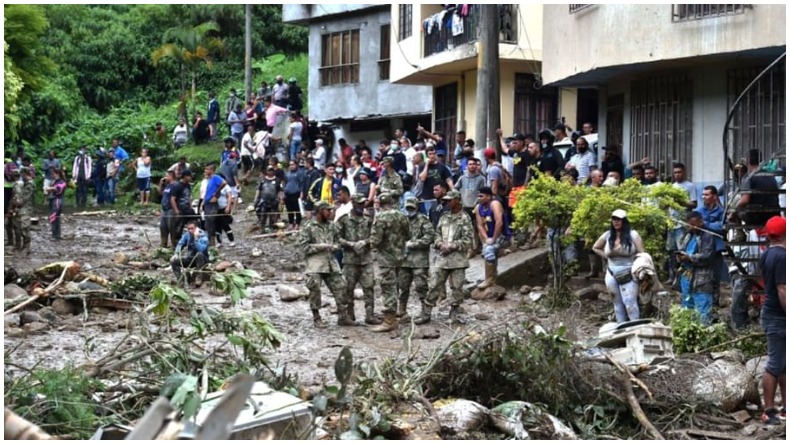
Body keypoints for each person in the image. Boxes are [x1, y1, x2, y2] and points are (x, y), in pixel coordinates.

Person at [414, 190, 474, 325]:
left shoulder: (464, 218)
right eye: (446, 200)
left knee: (457, 287)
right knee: (434, 284)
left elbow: (468, 239)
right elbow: (436, 234)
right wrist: (440, 244)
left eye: (450, 200)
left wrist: (452, 246)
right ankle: (426, 312)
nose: (447, 203)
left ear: (457, 200)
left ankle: (454, 312)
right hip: (442, 258)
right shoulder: (444, 217)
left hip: (458, 259)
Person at [297, 200, 355, 328]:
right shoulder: (309, 227)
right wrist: (320, 247)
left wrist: (336, 247)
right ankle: (316, 317)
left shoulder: (331, 226)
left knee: (341, 285)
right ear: (319, 211)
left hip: (330, 261)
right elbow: (303, 247)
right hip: (315, 263)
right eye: (327, 210)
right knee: (315, 286)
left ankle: (343, 316)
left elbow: (338, 241)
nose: (330, 212)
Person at [593, 209, 645, 323]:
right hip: (611, 272)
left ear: (624, 221)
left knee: (630, 302)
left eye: (619, 219)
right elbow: (595, 247)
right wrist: (607, 257)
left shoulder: (633, 234)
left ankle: (635, 327)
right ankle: (621, 327)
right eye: (614, 219)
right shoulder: (607, 235)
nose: (616, 222)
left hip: (630, 272)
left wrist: (640, 268)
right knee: (617, 303)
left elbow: (642, 254)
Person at [758, 215, 786, 425]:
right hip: (778, 315)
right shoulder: (782, 257)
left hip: (770, 312)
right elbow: (782, 289)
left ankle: (785, 407)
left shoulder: (767, 254)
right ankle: (769, 410)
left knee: (784, 364)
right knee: (775, 363)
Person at [368, 193, 410, 332]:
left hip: (386, 258)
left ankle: (389, 320)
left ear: (380, 203)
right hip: (399, 256)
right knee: (395, 285)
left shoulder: (380, 217)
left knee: (387, 287)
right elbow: (408, 235)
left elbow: (375, 241)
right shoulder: (402, 215)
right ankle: (394, 313)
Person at [336, 193, 379, 325]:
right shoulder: (344, 219)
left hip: (366, 259)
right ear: (353, 204)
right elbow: (335, 237)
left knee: (369, 287)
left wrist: (365, 242)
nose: (361, 206)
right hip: (350, 259)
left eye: (363, 203)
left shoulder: (368, 219)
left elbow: (376, 236)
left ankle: (370, 315)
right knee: (347, 288)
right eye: (358, 203)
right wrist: (350, 244)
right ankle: (349, 315)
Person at [676, 211, 717, 324]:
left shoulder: (707, 236)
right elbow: (683, 249)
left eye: (694, 224)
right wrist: (680, 257)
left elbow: (707, 256)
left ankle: (704, 334)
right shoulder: (689, 235)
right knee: (687, 306)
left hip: (702, 278)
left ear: (701, 222)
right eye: (690, 224)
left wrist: (689, 257)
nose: (692, 227)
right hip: (687, 276)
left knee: (703, 308)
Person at [399, 197, 436, 319]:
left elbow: (430, 237)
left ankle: (425, 312)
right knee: (402, 286)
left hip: (419, 261)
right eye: (407, 208)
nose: (409, 210)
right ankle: (402, 310)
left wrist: (414, 243)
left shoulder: (423, 221)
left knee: (421, 287)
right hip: (404, 261)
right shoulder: (402, 220)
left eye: (411, 208)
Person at [475, 186, 511, 289]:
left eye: (481, 196)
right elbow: (479, 225)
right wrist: (487, 239)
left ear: (488, 196)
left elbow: (499, 223)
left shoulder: (495, 204)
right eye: (478, 196)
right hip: (488, 236)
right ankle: (492, 276)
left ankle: (489, 279)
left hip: (502, 235)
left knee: (489, 251)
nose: (479, 198)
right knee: (487, 249)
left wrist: (493, 239)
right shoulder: (478, 207)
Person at [697, 186, 726, 305]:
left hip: (716, 248)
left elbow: (722, 227)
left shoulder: (721, 211)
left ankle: (714, 304)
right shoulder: (699, 211)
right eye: (703, 195)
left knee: (715, 278)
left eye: (707, 195)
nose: (704, 197)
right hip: (702, 248)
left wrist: (706, 224)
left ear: (714, 196)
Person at [170, 221, 209, 287]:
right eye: (189, 229)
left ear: (196, 228)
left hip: (202, 259)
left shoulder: (203, 236)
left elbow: (202, 249)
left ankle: (198, 277)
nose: (190, 230)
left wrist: (196, 239)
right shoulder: (187, 235)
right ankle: (180, 280)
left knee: (199, 254)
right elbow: (180, 243)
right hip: (190, 258)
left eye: (192, 228)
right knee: (174, 261)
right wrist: (176, 253)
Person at [10, 167, 35, 255]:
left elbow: (25, 198)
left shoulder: (30, 184)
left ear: (25, 174)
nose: (21, 176)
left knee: (25, 227)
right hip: (21, 208)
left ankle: (27, 247)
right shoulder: (25, 183)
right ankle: (19, 246)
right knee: (17, 226)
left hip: (26, 208)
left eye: (22, 174)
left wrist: (17, 203)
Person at [169, 170, 196, 244]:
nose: (191, 178)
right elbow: (172, 199)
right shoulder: (177, 186)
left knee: (194, 224)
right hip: (180, 210)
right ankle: (177, 243)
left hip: (188, 209)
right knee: (178, 228)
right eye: (189, 176)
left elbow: (189, 197)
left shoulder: (188, 185)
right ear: (185, 176)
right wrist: (176, 210)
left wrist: (190, 206)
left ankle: (193, 240)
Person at [254, 166, 283, 230]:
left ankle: (271, 227)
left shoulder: (277, 180)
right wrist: (256, 198)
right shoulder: (263, 180)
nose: (270, 171)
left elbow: (280, 190)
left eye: (271, 170)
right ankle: (262, 228)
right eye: (269, 170)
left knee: (272, 215)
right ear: (267, 171)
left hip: (274, 200)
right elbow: (259, 189)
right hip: (264, 200)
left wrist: (281, 199)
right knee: (263, 215)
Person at [45, 169, 67, 241]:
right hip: (54, 200)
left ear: (57, 174)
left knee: (54, 218)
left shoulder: (62, 182)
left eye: (53, 174)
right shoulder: (55, 181)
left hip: (57, 200)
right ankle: (56, 235)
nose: (52, 175)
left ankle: (55, 235)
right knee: (56, 218)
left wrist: (50, 188)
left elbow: (59, 189)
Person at [158, 171, 177, 248]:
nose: (164, 178)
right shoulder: (167, 186)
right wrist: (160, 184)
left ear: (171, 176)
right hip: (164, 209)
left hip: (171, 209)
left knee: (171, 227)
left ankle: (174, 245)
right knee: (163, 227)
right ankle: (163, 244)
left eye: (166, 176)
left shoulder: (175, 186)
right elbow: (160, 193)